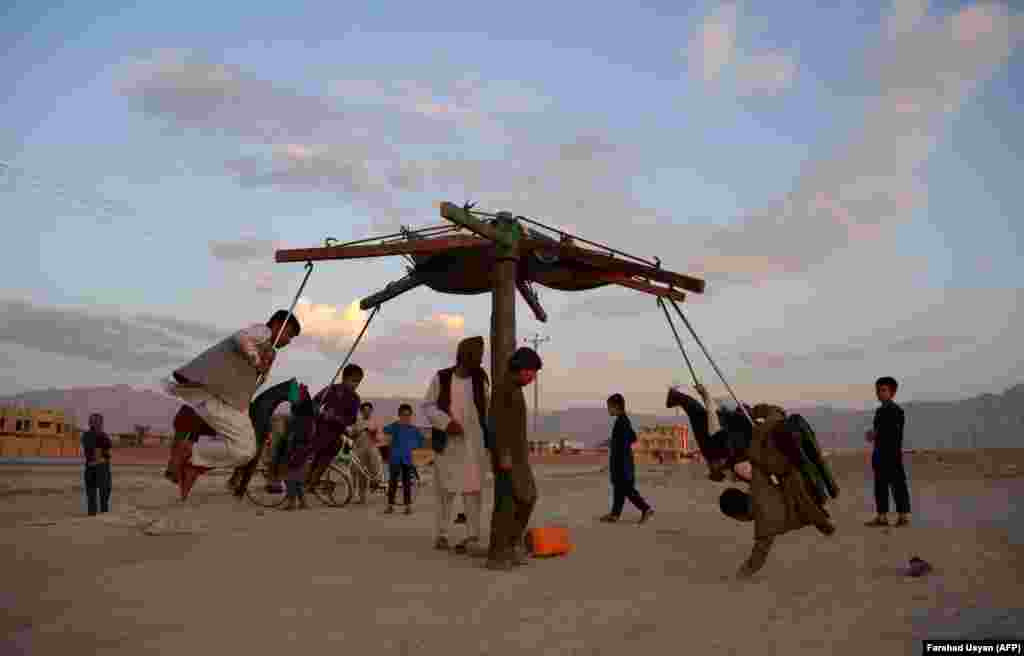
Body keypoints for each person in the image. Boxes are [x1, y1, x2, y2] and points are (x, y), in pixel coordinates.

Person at [163, 310, 301, 499]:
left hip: (234, 401)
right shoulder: (263, 332)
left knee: (246, 451)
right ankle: (189, 459)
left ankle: (193, 460)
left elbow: (255, 381)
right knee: (244, 448)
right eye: (289, 334)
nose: (289, 341)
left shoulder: (270, 350)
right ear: (278, 325)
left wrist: (265, 366)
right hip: (213, 392)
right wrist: (256, 359)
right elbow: (241, 337)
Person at [720, 404, 835, 580]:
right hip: (808, 479)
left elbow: (756, 560)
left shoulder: (765, 523)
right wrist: (756, 412)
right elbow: (776, 412)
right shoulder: (759, 481)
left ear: (739, 517)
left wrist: (739, 577)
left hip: (814, 495)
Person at [422, 336, 490, 554]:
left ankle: (472, 534)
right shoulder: (441, 377)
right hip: (448, 443)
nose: (479, 362)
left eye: (481, 357)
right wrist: (446, 423)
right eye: (476, 357)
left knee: (473, 490)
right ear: (464, 356)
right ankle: (442, 534)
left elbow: (488, 408)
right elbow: (428, 405)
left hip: (474, 443)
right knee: (445, 490)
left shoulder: (481, 378)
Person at [485, 347, 543, 570]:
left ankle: (509, 545)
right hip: (507, 457)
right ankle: (498, 554)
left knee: (527, 497)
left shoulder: (515, 388)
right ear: (521, 367)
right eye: (531, 371)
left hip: (518, 458)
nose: (533, 377)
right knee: (506, 505)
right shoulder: (504, 388)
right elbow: (496, 425)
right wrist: (503, 455)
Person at [307, 364, 364, 489]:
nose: (355, 384)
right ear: (344, 378)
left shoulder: (355, 398)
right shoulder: (331, 389)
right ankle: (305, 480)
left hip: (337, 432)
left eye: (358, 382)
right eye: (353, 381)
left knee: (327, 456)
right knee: (313, 455)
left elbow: (351, 419)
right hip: (320, 428)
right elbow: (314, 404)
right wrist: (322, 413)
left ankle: (312, 482)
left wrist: (336, 418)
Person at [600, 394, 654, 524]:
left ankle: (646, 509)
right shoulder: (623, 420)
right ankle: (614, 515)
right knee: (619, 489)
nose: (608, 410)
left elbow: (623, 445)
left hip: (622, 464)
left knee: (627, 490)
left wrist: (617, 462)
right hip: (624, 463)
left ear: (616, 406)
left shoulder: (622, 422)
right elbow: (633, 437)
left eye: (609, 407)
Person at [865, 376, 910, 527]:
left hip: (892, 454)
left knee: (897, 485)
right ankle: (882, 517)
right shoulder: (879, 411)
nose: (880, 393)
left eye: (883, 390)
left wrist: (877, 434)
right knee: (880, 486)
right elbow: (879, 431)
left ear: (893, 392)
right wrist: (873, 435)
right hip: (879, 454)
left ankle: (903, 517)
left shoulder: (896, 411)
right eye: (878, 390)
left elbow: (894, 433)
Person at [382, 404, 424, 514]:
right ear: (399, 415)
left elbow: (420, 442)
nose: (406, 417)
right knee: (393, 483)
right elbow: (385, 430)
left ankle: (408, 506)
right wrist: (396, 425)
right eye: (403, 415)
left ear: (411, 416)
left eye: (408, 415)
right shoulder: (395, 426)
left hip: (408, 460)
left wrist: (416, 456)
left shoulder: (414, 429)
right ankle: (390, 505)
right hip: (395, 459)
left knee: (407, 484)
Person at [282, 385, 317, 510]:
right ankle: (303, 502)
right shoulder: (306, 416)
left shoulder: (303, 418)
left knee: (291, 476)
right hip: (301, 448)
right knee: (297, 476)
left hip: (299, 448)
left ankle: (292, 503)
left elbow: (300, 435)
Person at [351, 401, 384, 504]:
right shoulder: (357, 422)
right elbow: (351, 435)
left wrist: (373, 434)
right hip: (359, 449)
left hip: (372, 449)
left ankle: (374, 485)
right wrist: (357, 432)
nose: (367, 413)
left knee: (375, 472)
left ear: (371, 411)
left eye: (368, 411)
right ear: (361, 412)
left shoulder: (376, 422)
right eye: (364, 411)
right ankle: (362, 498)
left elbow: (380, 438)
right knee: (360, 473)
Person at [81, 412, 113, 515]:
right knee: (92, 495)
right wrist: (102, 457)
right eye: (95, 421)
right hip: (94, 469)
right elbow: (94, 450)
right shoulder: (87, 435)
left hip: (102, 468)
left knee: (105, 493)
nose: (99, 423)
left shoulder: (104, 435)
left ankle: (102, 513)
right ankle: (93, 514)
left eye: (99, 421)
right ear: (91, 423)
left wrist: (103, 456)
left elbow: (107, 447)